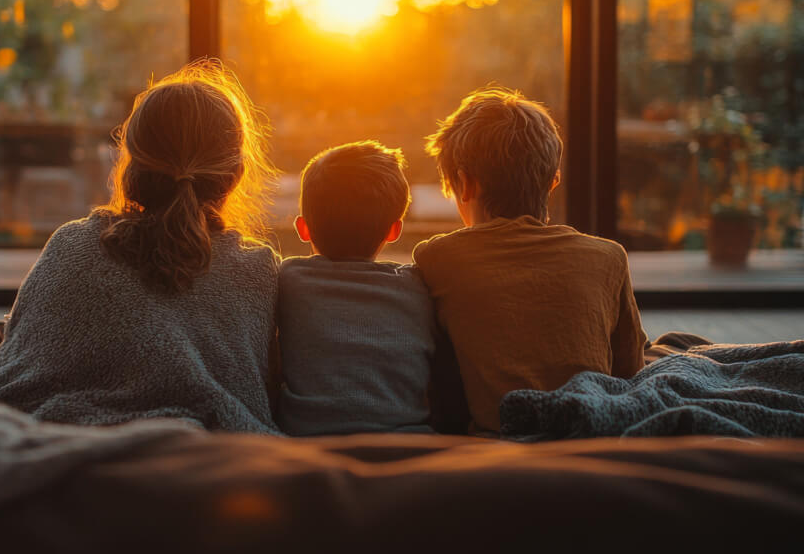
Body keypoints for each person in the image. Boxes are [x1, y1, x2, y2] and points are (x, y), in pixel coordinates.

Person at [0, 61, 282, 432]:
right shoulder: (258, 271)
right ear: (235, 176)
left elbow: (7, 367)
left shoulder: (71, 244)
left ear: (130, 164)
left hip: (51, 443)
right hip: (199, 464)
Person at [413, 87, 647, 434]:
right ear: (554, 181)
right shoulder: (609, 256)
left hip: (495, 441)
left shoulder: (437, 257)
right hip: (592, 435)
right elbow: (631, 372)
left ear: (464, 184)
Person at [277, 141, 437, 435]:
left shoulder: (287, 279)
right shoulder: (419, 288)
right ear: (394, 231)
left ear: (303, 228)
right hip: (407, 445)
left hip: (309, 444)